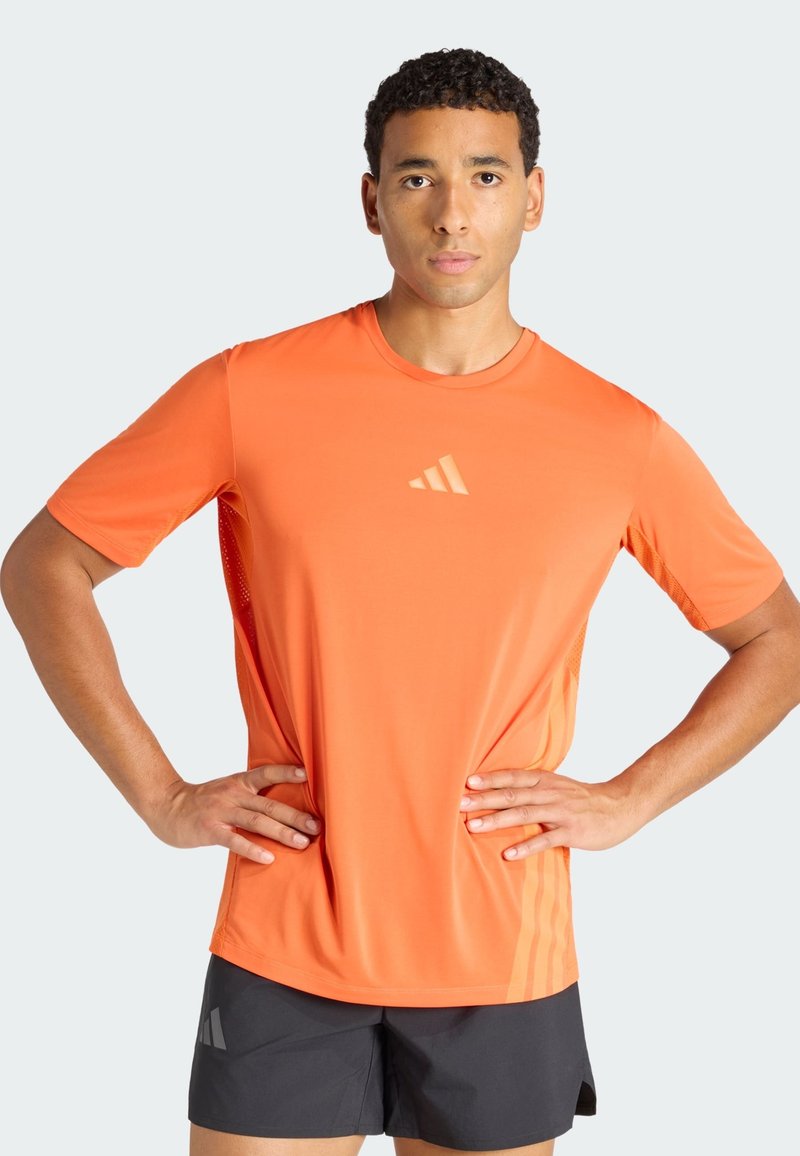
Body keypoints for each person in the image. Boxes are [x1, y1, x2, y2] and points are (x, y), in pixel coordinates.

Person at [2, 44, 798, 1156]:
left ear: (534, 198)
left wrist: (630, 799)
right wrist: (158, 793)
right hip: (285, 936)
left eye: (485, 174)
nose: (452, 211)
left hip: (502, 952)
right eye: (417, 176)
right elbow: (44, 564)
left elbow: (775, 638)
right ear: (371, 202)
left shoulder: (616, 436)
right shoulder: (251, 389)